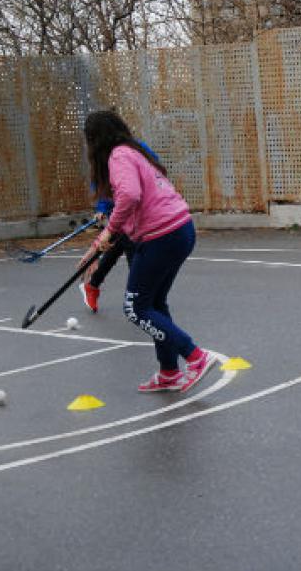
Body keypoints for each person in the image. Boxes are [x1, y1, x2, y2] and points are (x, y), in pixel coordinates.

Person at [80, 109, 218, 393]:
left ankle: (196, 357)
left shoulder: (118, 156)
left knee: (136, 308)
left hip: (162, 235)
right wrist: (102, 239)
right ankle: (169, 371)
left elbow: (130, 195)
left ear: (95, 140)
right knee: (154, 303)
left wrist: (107, 232)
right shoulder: (133, 151)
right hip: (179, 229)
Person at [79, 140, 158, 313]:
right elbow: (100, 184)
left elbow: (154, 164)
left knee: (115, 249)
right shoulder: (104, 155)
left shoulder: (135, 147)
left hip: (138, 211)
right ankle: (138, 296)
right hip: (122, 212)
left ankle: (92, 286)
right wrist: (102, 208)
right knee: (130, 249)